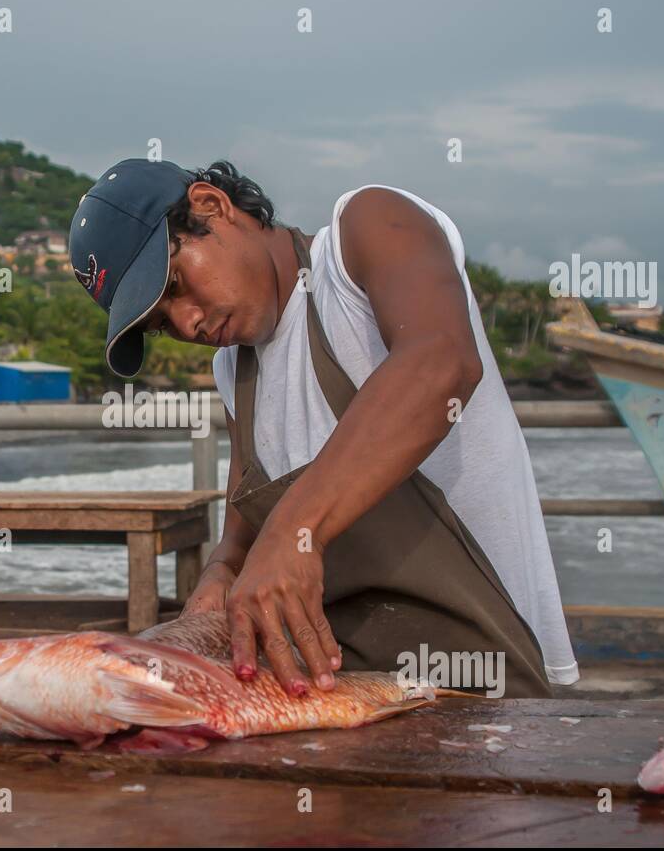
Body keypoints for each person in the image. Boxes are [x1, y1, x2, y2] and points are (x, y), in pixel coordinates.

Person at [68, 159, 578, 698]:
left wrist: (293, 530)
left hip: (487, 681)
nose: (187, 322)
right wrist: (220, 574)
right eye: (162, 323)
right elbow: (242, 536)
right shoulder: (236, 369)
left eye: (175, 284)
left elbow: (441, 362)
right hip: (353, 689)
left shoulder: (364, 232)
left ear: (211, 207)